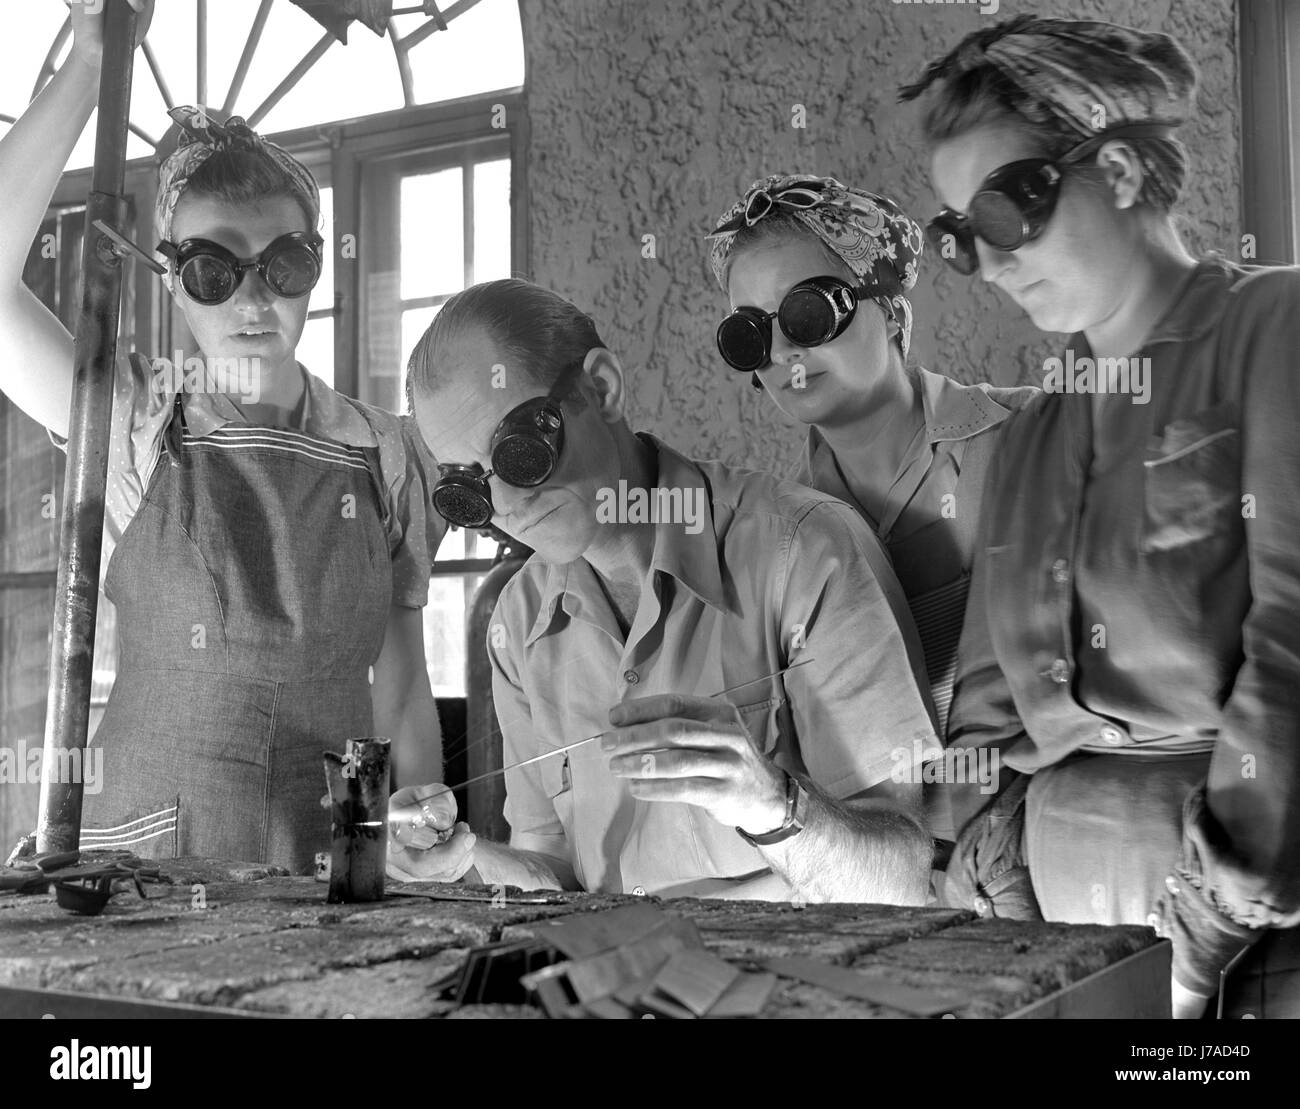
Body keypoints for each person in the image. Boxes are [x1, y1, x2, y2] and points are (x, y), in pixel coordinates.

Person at [900, 14, 1300, 1016]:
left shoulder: (1274, 330)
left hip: (1255, 928)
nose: (987, 262)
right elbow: (988, 700)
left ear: (1117, 172)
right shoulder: (1035, 434)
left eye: (1007, 209)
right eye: (957, 235)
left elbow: (1292, 633)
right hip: (1064, 938)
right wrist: (980, 859)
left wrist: (1223, 898)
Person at [0, 0, 443, 871]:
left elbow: (399, 690)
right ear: (171, 278)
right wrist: (90, 66)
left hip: (334, 862)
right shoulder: (129, 425)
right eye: (213, 269)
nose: (252, 300)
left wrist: (413, 848)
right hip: (152, 865)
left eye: (284, 266)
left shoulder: (387, 454)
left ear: (316, 268)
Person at [389, 278, 939, 904]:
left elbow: (901, 879)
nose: (509, 505)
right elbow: (558, 876)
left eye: (518, 454)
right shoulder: (517, 621)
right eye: (469, 491)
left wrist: (772, 806)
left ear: (601, 388)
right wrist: (460, 860)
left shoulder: (804, 552)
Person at [707, 176, 1037, 753]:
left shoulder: (1033, 438)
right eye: (751, 333)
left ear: (888, 311)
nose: (784, 352)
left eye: (808, 313)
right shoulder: (781, 540)